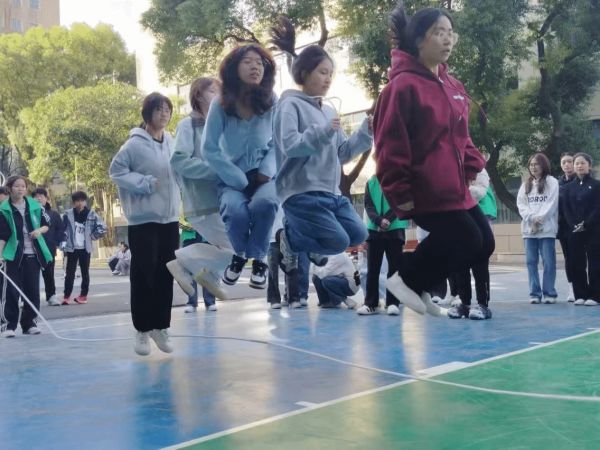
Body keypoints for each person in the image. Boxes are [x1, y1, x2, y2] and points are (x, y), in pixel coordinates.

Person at [373, 4, 493, 317]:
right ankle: (406, 279)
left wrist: (473, 165)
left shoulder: (454, 86)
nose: (447, 39)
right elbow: (388, 145)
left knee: (484, 243)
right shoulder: (401, 87)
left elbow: (462, 136)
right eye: (439, 33)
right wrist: (400, 193)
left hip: (455, 188)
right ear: (418, 40)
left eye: (451, 33)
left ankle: (420, 283)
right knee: (467, 238)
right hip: (425, 188)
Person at [270, 16, 372, 274]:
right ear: (305, 73)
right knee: (337, 241)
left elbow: (342, 154)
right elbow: (290, 145)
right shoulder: (289, 105)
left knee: (358, 234)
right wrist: (324, 132)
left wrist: (365, 131)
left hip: (331, 192)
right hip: (301, 192)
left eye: (330, 74)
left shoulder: (327, 110)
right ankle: (289, 237)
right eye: (322, 72)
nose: (328, 79)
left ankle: (304, 243)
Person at [202, 45, 279, 289]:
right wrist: (236, 178)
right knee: (236, 213)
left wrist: (267, 169)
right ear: (234, 68)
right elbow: (209, 148)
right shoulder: (220, 104)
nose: (255, 66)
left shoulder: (272, 101)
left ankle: (258, 258)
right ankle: (240, 255)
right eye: (247, 61)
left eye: (259, 62)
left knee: (265, 204)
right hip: (231, 178)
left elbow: (279, 142)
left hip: (264, 176)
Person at [109, 92, 180, 356]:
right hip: (143, 220)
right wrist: (144, 183)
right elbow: (116, 171)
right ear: (147, 114)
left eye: (167, 110)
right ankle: (141, 329)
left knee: (166, 274)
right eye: (159, 109)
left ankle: (161, 326)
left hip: (170, 219)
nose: (165, 114)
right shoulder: (133, 145)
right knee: (143, 274)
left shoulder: (172, 141)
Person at [168, 77, 232, 301]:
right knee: (241, 245)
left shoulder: (221, 124)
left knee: (241, 245)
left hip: (222, 199)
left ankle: (207, 273)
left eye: (220, 91)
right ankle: (185, 261)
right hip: (202, 201)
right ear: (198, 95)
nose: (219, 95)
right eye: (213, 91)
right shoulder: (188, 125)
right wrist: (215, 170)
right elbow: (178, 160)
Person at [0, 176, 52, 337]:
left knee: (32, 290)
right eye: (17, 186)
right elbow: (2, 235)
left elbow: (46, 224)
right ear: (10, 188)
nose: (21, 189)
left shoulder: (35, 206)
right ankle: (8, 326)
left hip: (33, 254)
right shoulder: (3, 209)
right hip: (12, 255)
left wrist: (39, 231)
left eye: (23, 186)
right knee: (10, 291)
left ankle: (30, 324)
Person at [448, 169, 497, 319]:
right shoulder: (451, 166)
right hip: (459, 220)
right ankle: (465, 303)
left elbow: (480, 192)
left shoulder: (478, 168)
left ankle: (483, 304)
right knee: (461, 265)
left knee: (480, 265)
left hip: (478, 220)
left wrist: (457, 189)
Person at [357, 174, 408, 316]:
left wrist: (387, 220)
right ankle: (371, 304)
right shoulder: (370, 182)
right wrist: (379, 221)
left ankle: (393, 303)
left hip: (395, 228)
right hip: (374, 230)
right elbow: (368, 205)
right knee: (372, 269)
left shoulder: (399, 179)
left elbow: (402, 202)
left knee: (395, 268)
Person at [516, 152, 559, 304]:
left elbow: (551, 204)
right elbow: (521, 205)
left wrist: (539, 221)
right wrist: (532, 219)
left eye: (536, 164)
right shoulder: (525, 184)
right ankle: (535, 293)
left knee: (548, 262)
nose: (533, 167)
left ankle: (549, 293)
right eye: (531, 165)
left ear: (544, 165)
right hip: (529, 231)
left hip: (546, 230)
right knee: (531, 262)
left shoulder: (552, 182)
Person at [562, 152, 600, 306]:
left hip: (593, 230)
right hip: (574, 231)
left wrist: (586, 224)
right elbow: (566, 209)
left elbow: (597, 208)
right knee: (576, 262)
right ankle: (580, 294)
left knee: (595, 262)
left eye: (583, 163)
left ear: (589, 166)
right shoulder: (568, 188)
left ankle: (595, 295)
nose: (579, 166)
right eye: (577, 163)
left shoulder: (597, 185)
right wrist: (573, 225)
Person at [60, 191, 107, 305]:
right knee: (69, 273)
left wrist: (93, 236)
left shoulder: (91, 214)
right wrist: (63, 245)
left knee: (85, 273)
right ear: (73, 202)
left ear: (85, 202)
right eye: (77, 201)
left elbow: (103, 227)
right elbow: (62, 230)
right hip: (72, 248)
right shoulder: (67, 214)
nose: (80, 203)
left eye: (82, 201)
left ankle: (83, 296)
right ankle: (66, 296)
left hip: (85, 248)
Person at [32, 187, 64, 306]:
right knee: (30, 276)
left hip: (48, 249)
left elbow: (60, 229)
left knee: (49, 274)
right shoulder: (29, 213)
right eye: (36, 196)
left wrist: (55, 242)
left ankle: (51, 296)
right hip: (32, 249)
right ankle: (27, 299)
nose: (38, 198)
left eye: (41, 196)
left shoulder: (53, 214)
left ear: (46, 198)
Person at [178, 223, 217, 313]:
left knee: (208, 270)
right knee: (190, 270)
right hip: (190, 235)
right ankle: (192, 302)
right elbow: (180, 218)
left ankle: (210, 302)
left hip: (207, 235)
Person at [557, 152, 576, 302]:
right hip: (564, 227)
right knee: (569, 258)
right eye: (564, 162)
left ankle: (588, 287)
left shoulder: (583, 181)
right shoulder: (557, 184)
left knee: (585, 258)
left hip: (583, 226)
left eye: (570, 161)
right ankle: (572, 288)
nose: (567, 165)